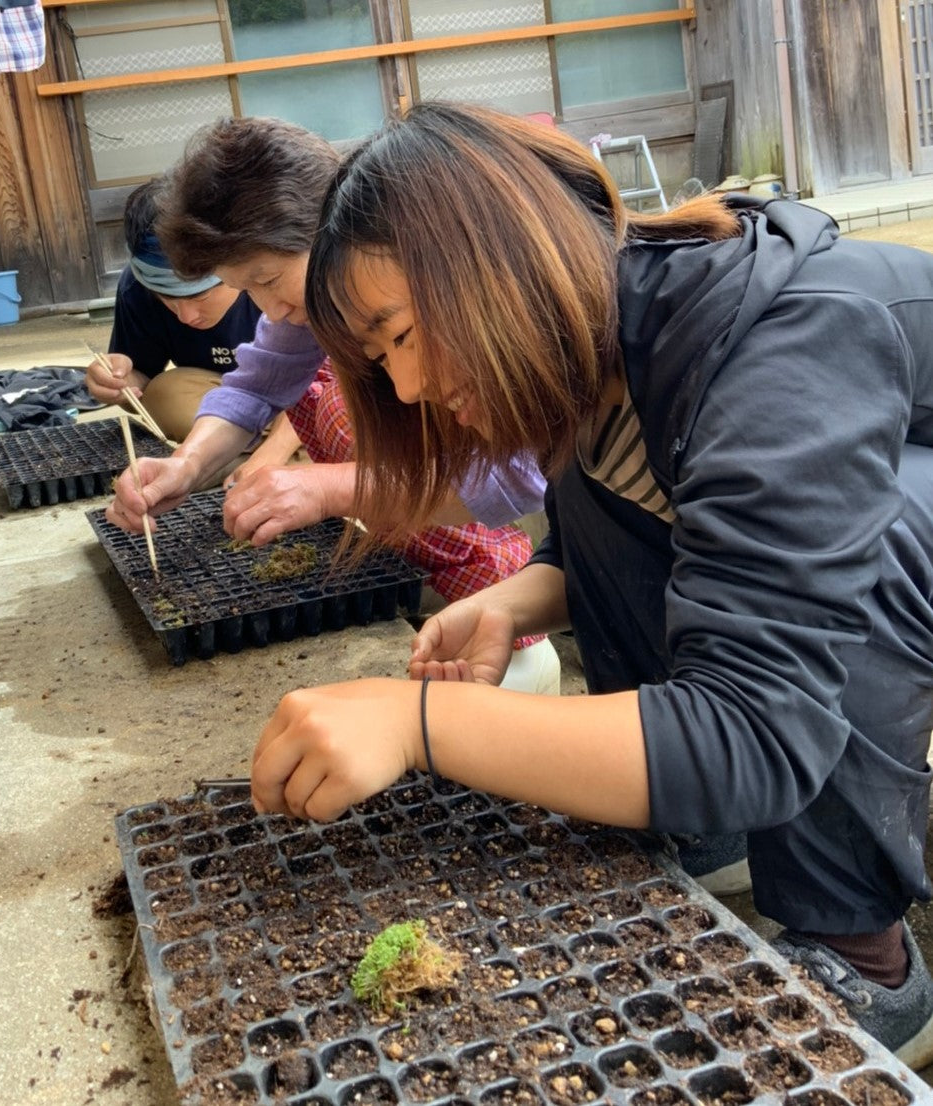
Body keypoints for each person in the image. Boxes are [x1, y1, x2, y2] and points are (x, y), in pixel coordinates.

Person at [249, 101, 933, 1065]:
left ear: (500, 262)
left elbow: (758, 723)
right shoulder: (611, 344)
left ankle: (863, 947)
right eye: (380, 359)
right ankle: (702, 814)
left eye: (400, 334)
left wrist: (417, 726)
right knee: (638, 505)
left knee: (866, 536)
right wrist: (515, 598)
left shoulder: (780, 334)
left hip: (900, 546)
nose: (402, 389)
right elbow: (604, 524)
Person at [105, 116, 561, 695]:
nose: (267, 308)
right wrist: (187, 465)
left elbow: (517, 474)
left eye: (267, 279)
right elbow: (254, 384)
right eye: (247, 289)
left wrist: (328, 488)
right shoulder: (314, 303)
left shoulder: (453, 292)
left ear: (332, 228)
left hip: (513, 554)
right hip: (419, 535)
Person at [86, 176, 295, 458]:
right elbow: (143, 382)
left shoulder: (275, 277)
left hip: (300, 389)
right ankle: (263, 446)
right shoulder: (137, 289)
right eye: (167, 298)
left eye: (199, 297)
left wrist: (274, 452)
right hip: (225, 393)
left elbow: (326, 377)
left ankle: (263, 447)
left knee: (330, 401)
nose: (185, 316)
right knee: (164, 394)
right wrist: (116, 380)